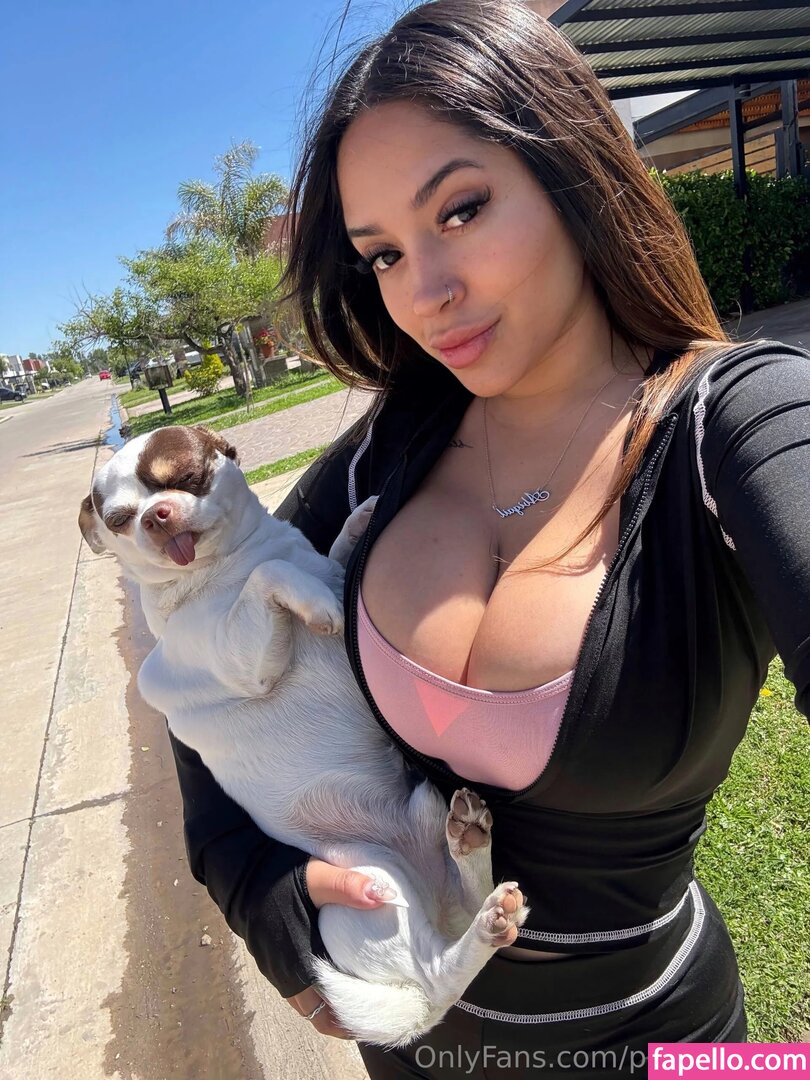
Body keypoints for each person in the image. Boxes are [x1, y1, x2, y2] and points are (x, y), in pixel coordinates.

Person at [167, 2, 810, 1075]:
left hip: (662, 1045)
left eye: (461, 210)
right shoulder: (391, 450)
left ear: (573, 172)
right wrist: (255, 886)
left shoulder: (733, 425)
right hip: (417, 1053)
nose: (426, 294)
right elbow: (197, 651)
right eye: (383, 254)